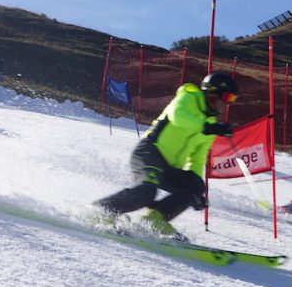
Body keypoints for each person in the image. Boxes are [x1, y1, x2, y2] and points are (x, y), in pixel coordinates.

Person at [92, 71, 238, 238]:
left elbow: (197, 159)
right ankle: (103, 210)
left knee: (196, 186)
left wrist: (195, 194)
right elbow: (179, 117)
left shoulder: (210, 125)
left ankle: (155, 219)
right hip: (150, 152)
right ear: (211, 93)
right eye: (226, 97)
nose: (226, 104)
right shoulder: (189, 98)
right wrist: (206, 127)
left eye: (231, 99)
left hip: (170, 168)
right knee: (146, 192)